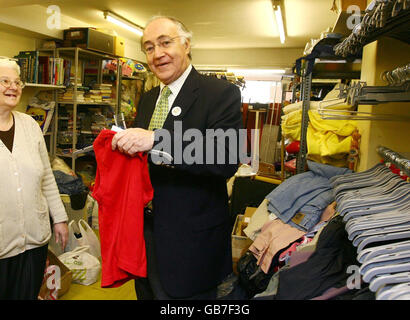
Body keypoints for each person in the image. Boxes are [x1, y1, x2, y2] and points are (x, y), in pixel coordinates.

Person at [111, 16, 243, 299]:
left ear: (186, 44)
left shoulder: (219, 92)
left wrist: (156, 140)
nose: (157, 54)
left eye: (165, 43)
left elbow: (227, 155)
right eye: (148, 47)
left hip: (192, 245)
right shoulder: (148, 99)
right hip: (145, 237)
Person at [0, 57, 68, 300]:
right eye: (5, 81)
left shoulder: (30, 125)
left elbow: (47, 177)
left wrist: (59, 218)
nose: (13, 87)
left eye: (17, 82)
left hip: (34, 241)